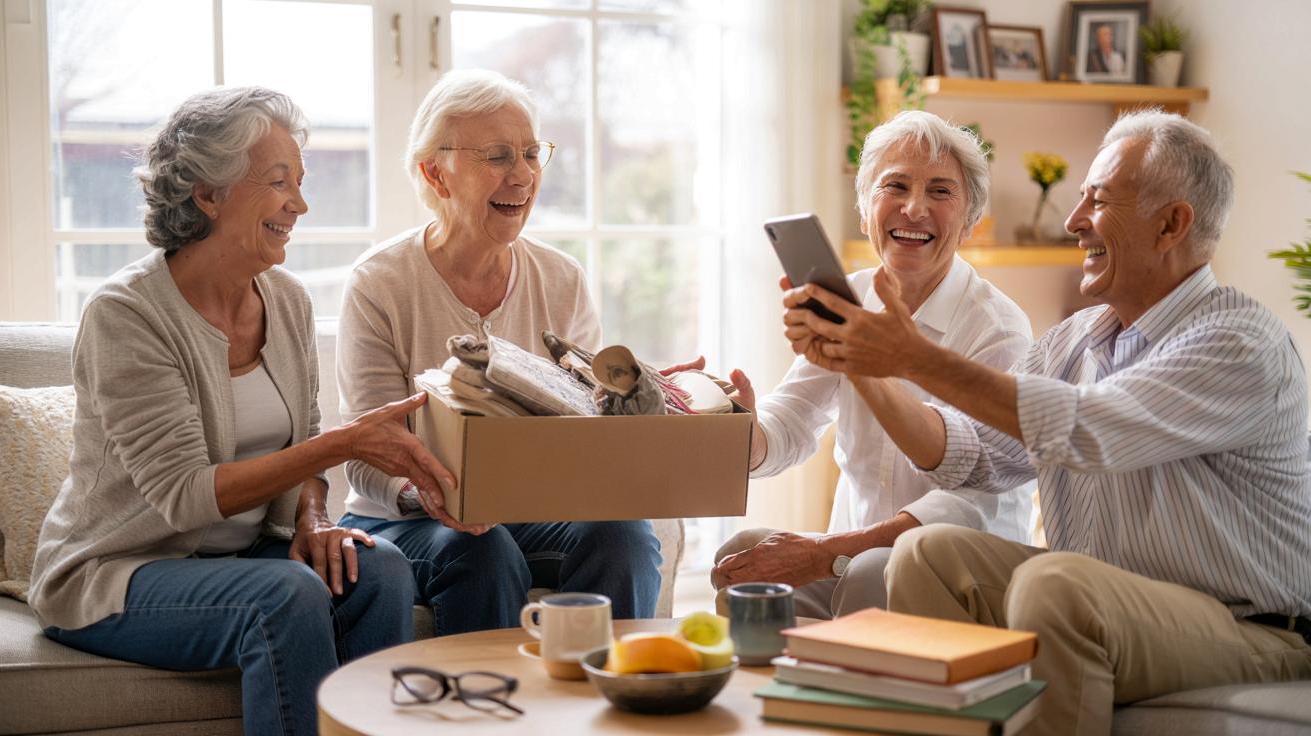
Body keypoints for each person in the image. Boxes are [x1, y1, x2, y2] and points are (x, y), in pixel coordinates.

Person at [785, 110, 1311, 735]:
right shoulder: (1073, 342)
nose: (1073, 220)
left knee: (1057, 583)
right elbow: (971, 457)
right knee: (927, 553)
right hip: (1111, 602)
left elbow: (1090, 429)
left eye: (1099, 200)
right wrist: (862, 364)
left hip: (1248, 628)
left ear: (1171, 224)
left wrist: (911, 356)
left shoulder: (1237, 341)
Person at [27, 87, 447, 735]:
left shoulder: (288, 301)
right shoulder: (127, 316)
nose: (299, 205)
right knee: (286, 595)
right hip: (116, 575)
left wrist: (314, 518)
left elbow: (302, 439)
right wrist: (346, 444)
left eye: (300, 183)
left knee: (380, 569)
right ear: (208, 194)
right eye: (278, 182)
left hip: (239, 557)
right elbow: (185, 497)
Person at [335, 69, 662, 636]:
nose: (525, 175)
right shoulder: (379, 282)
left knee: (625, 534)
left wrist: (639, 403)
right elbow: (364, 454)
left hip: (534, 511)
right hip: (404, 521)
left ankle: (613, 706)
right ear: (436, 173)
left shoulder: (561, 279)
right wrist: (426, 495)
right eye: (499, 156)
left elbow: (591, 424)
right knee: (481, 552)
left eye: (532, 154)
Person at [709, 110, 1033, 620]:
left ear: (971, 221)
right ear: (865, 212)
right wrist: (741, 426)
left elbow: (966, 505)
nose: (914, 208)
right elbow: (792, 422)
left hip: (955, 567)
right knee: (742, 557)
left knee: (869, 569)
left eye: (941, 192)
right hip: (858, 555)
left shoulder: (999, 329)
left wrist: (825, 551)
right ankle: (783, 697)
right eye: (895, 186)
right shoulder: (851, 297)